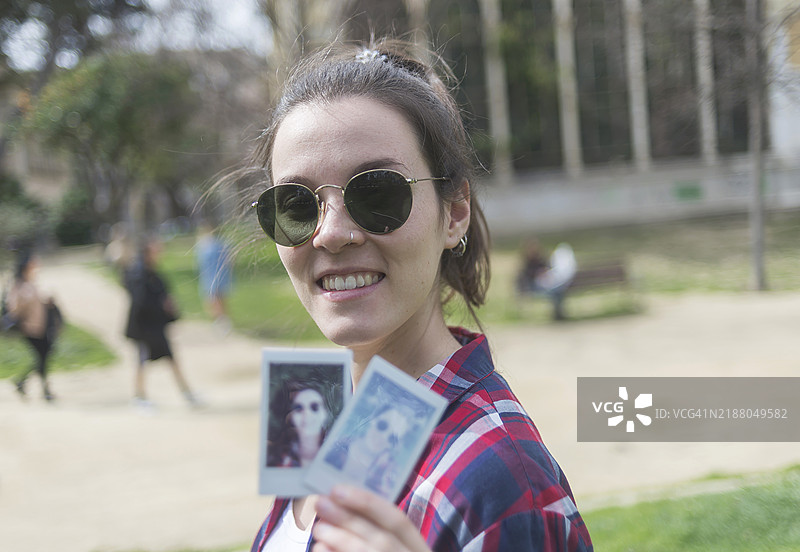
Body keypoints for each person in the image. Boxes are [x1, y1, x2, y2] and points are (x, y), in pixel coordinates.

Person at [230, 38, 592, 551]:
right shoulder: (311, 405)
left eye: (377, 192)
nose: (330, 234)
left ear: (455, 211)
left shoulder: (501, 480)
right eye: (295, 203)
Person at [123, 237, 200, 409]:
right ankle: (139, 396)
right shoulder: (139, 274)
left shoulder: (151, 272)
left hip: (155, 326)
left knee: (170, 359)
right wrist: (162, 306)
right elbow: (142, 301)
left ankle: (186, 392)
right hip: (144, 328)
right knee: (142, 361)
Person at [6, 250, 62, 401]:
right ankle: (44, 390)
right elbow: (13, 308)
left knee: (42, 357)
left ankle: (23, 382)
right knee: (42, 357)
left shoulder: (32, 282)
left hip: (41, 326)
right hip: (29, 328)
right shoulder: (19, 285)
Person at [323, 404, 411, 497]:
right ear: (373, 419)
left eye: (392, 438)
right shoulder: (337, 444)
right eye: (382, 425)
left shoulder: (389, 475)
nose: (383, 437)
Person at [268, 379, 332, 467]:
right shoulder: (273, 453)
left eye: (314, 407)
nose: (306, 414)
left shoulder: (335, 447)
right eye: (297, 408)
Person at [517, 239, 577, 320]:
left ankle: (558, 314)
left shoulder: (541, 258)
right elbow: (525, 277)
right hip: (535, 286)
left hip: (545, 284)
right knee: (556, 292)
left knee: (557, 292)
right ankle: (558, 314)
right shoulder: (527, 263)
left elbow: (548, 268)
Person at [195, 221, 233, 332]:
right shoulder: (210, 245)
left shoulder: (210, 246)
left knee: (215, 299)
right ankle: (221, 319)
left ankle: (221, 320)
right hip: (213, 276)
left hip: (213, 276)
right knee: (216, 299)